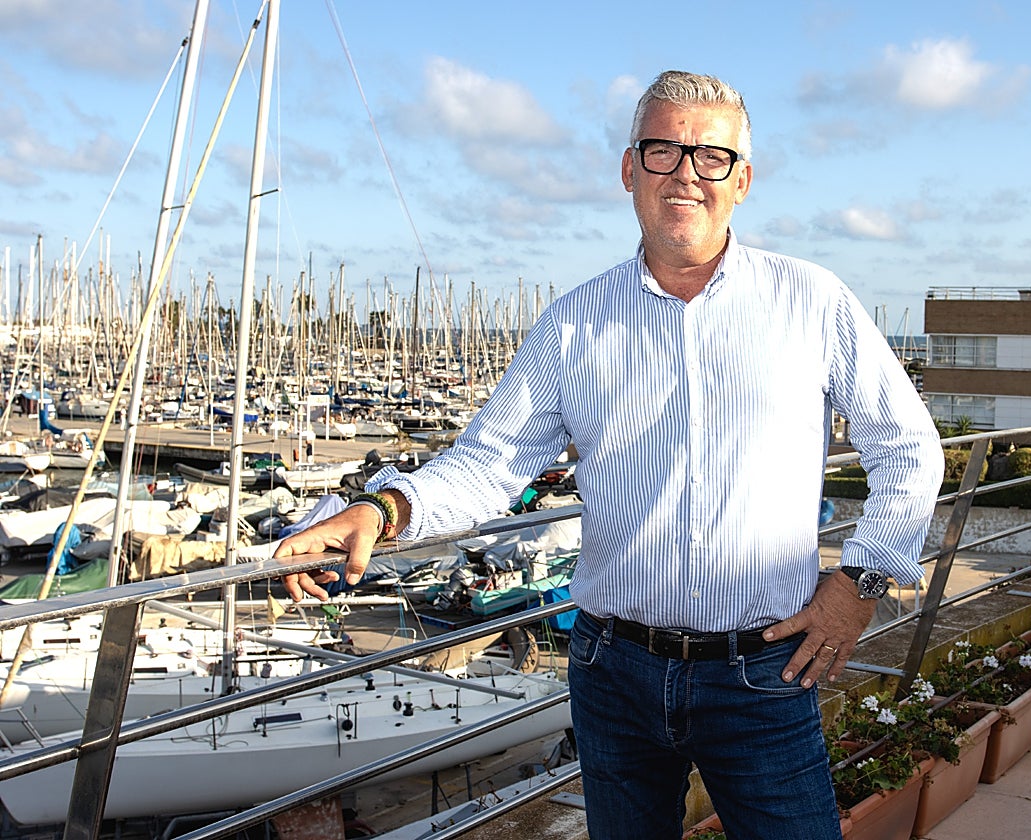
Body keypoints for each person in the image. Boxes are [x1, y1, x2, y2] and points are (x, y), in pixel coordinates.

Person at [275, 70, 943, 840]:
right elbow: (488, 463)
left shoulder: (812, 302)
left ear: (744, 180)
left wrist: (860, 582)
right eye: (664, 151)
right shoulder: (573, 325)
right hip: (613, 674)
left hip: (764, 669)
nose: (686, 173)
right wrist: (381, 509)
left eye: (711, 157)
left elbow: (906, 446)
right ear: (631, 170)